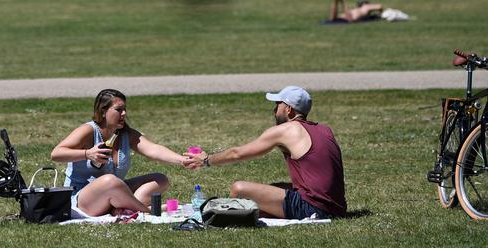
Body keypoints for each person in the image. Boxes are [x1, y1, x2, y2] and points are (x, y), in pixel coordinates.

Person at [184, 86, 347, 219]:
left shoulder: (285, 130)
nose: (274, 110)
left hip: (314, 209)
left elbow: (237, 153)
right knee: (273, 189)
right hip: (336, 207)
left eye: (278, 105)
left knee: (239, 190)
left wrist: (206, 160)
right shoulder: (325, 130)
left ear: (288, 109)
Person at [50, 89, 188, 217]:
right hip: (82, 199)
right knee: (110, 180)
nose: (124, 114)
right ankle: (147, 210)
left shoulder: (125, 134)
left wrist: (183, 160)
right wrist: (87, 154)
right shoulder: (89, 130)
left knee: (160, 179)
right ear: (103, 111)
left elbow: (153, 150)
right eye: (118, 110)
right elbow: (56, 153)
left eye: (125, 110)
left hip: (114, 189)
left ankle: (123, 209)